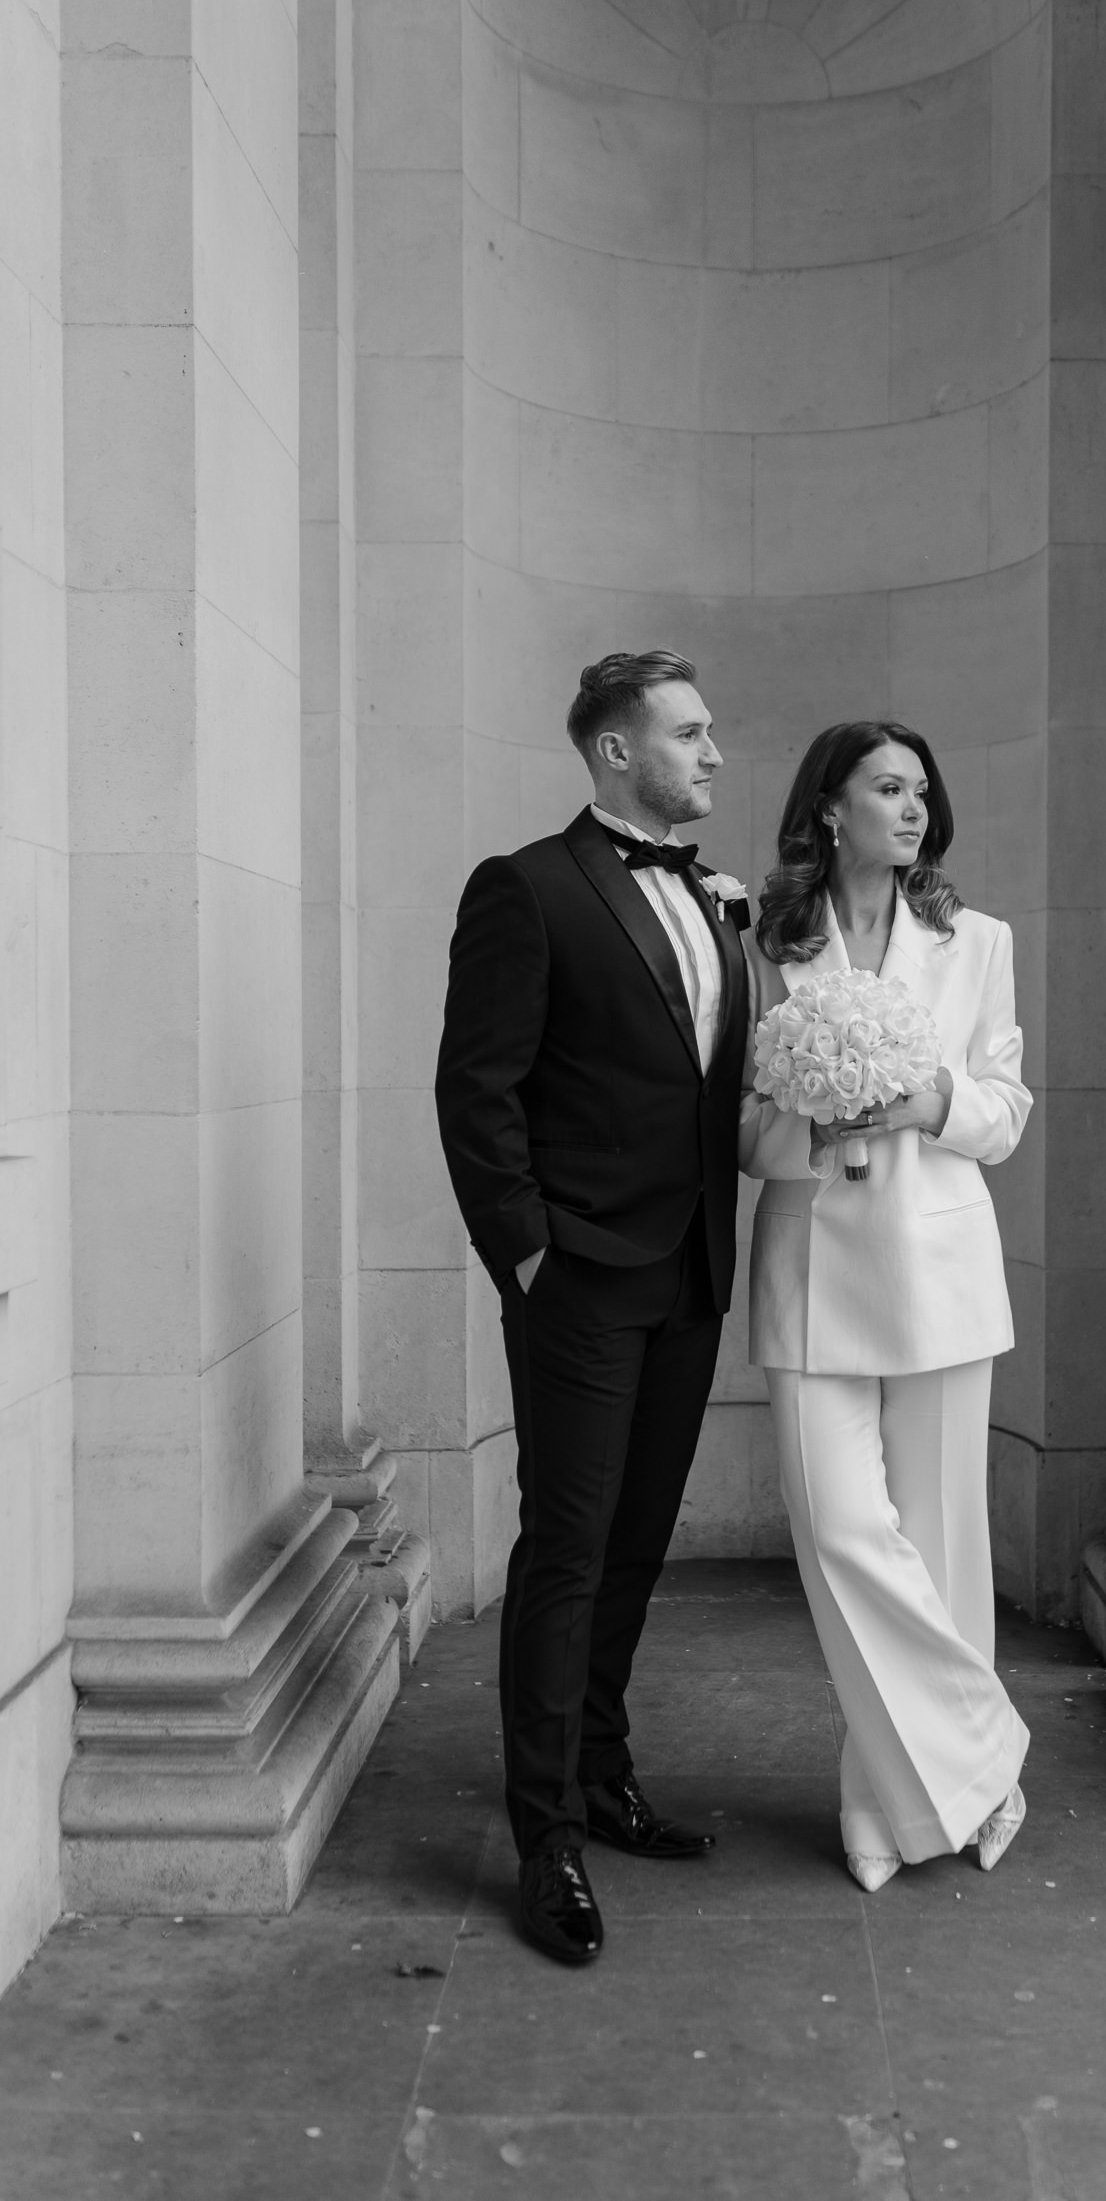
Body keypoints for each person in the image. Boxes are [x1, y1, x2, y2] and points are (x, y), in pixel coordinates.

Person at [435, 650, 749, 1964]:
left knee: (634, 1542)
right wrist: (525, 1258)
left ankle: (605, 1773)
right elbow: (477, 1087)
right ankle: (545, 1832)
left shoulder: (718, 901)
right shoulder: (528, 888)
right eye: (690, 732)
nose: (715, 753)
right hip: (576, 1279)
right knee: (564, 1549)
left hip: (689, 1271)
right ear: (618, 751)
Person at [739, 721, 1032, 1890]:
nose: (912, 811)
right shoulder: (762, 945)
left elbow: (1005, 1110)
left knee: (943, 1539)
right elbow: (743, 1134)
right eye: (887, 789)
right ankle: (988, 1758)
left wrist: (922, 1101)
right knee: (841, 1532)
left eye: (922, 791)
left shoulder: (978, 943)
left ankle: (890, 1804)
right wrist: (805, 1119)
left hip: (943, 1274)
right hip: (811, 1265)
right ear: (829, 809)